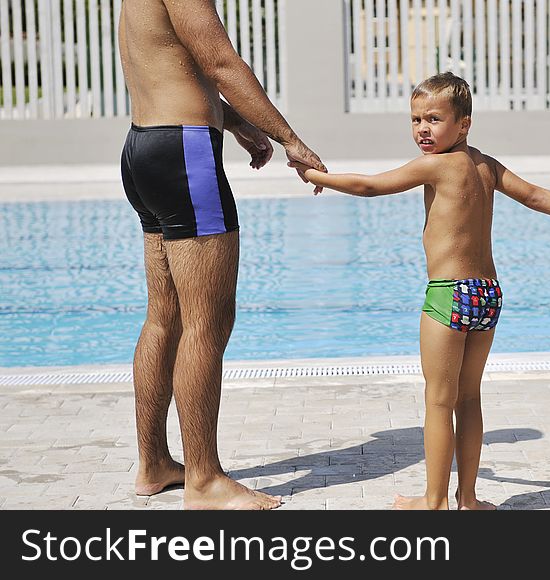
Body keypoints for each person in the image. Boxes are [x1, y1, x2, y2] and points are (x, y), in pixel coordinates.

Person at [293, 72, 550, 510]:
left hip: (450, 293)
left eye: (434, 119)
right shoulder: (485, 166)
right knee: (468, 398)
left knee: (438, 400)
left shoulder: (436, 166)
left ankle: (433, 503)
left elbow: (370, 186)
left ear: (464, 123)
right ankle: (468, 498)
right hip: (487, 294)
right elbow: (535, 196)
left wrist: (319, 175)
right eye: (415, 120)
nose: (422, 130)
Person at [118, 0, 325, 510]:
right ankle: (205, 480)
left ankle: (154, 463)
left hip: (145, 146)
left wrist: (234, 123)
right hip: (184, 154)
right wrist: (290, 139)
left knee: (164, 316)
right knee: (207, 321)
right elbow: (220, 63)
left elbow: (175, 65)